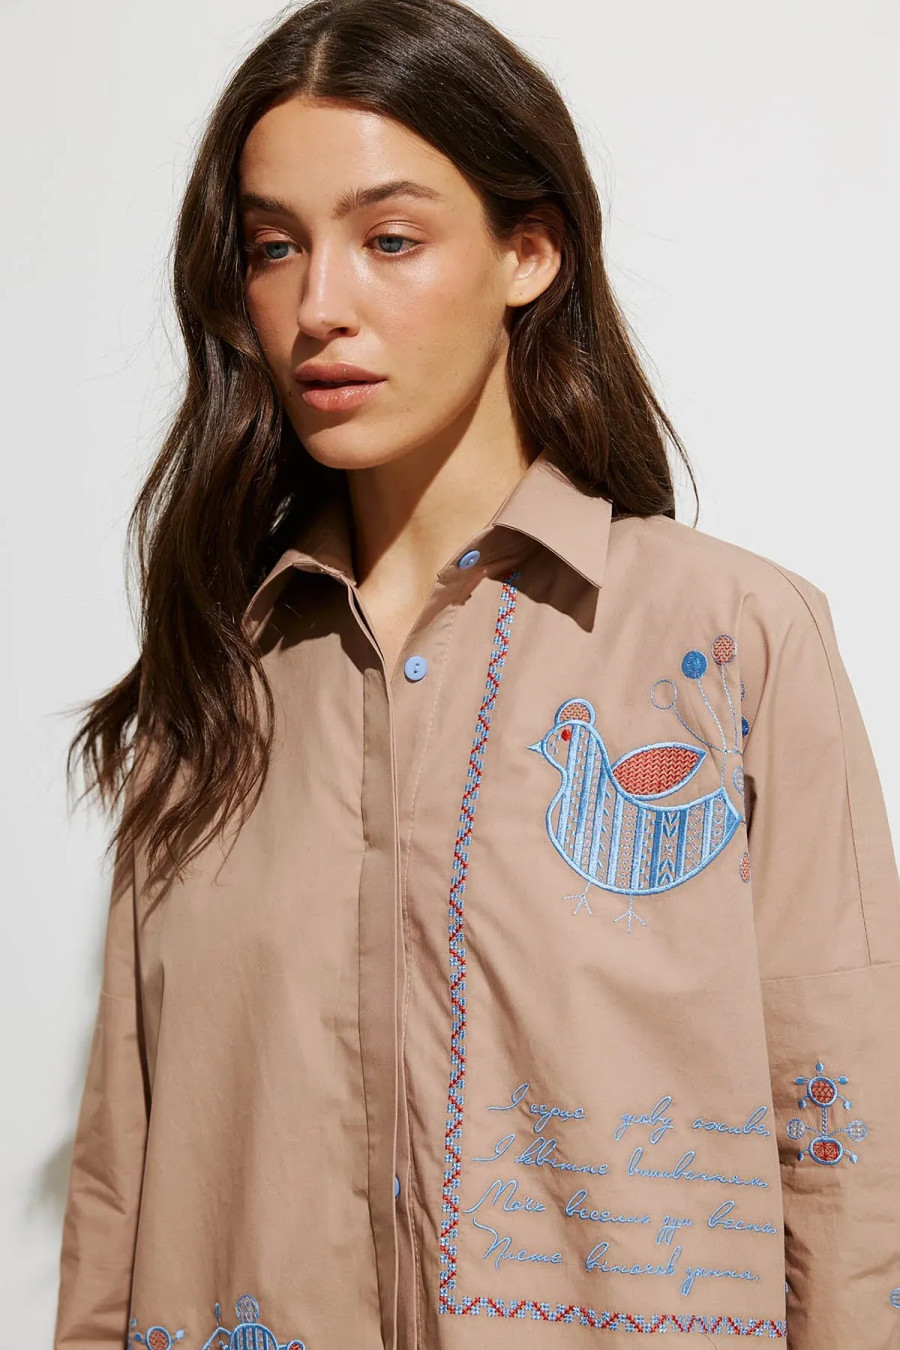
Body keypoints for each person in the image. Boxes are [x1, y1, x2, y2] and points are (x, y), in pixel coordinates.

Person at [54, 0, 900, 1346]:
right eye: (275, 247)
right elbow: (122, 1184)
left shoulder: (735, 638)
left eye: (389, 239)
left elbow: (850, 1156)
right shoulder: (213, 690)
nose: (319, 307)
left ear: (529, 251)